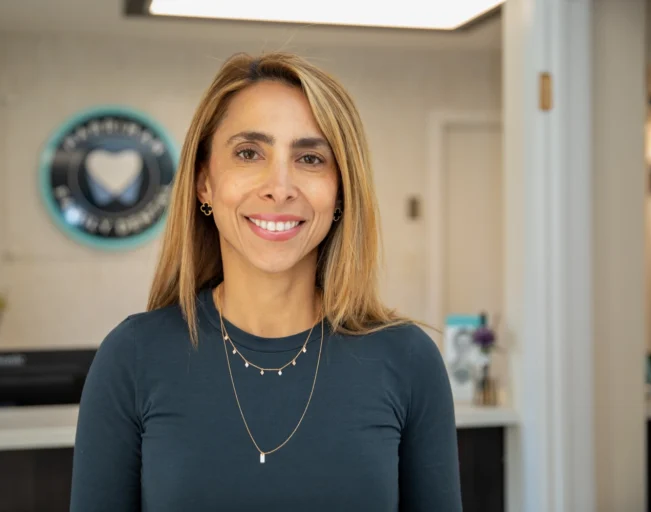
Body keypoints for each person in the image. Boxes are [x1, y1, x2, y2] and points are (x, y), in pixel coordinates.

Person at [70, 52, 462, 512]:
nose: (280, 186)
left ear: (340, 192)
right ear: (204, 184)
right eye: (248, 153)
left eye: (311, 158)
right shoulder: (132, 357)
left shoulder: (408, 360)